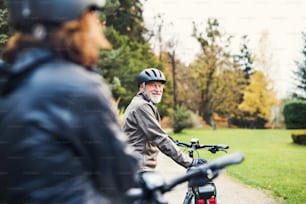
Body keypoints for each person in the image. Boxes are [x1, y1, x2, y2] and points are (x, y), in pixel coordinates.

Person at [0, 0, 138, 203]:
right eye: (91, 16)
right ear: (78, 18)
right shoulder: (77, 87)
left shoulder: (11, 83)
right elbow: (122, 177)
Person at [122, 68, 205, 173]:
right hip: (138, 168)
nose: (158, 89)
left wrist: (174, 143)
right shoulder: (141, 106)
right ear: (142, 86)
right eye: (153, 85)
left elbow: (157, 133)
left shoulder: (142, 103)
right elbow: (159, 137)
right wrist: (189, 162)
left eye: (160, 86)